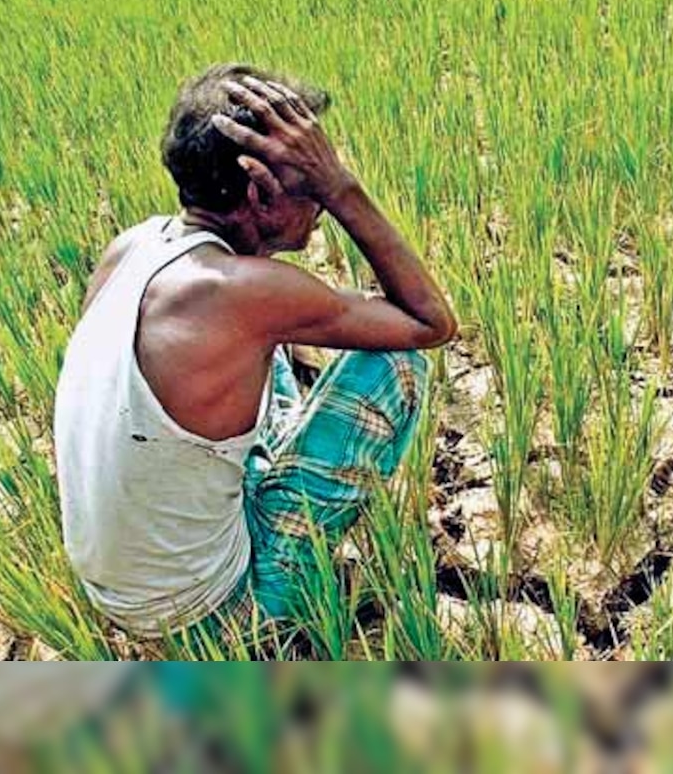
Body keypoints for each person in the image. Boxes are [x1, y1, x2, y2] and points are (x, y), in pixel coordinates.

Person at [52, 63, 458, 654]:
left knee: (278, 363)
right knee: (395, 365)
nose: (319, 200)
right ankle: (279, 602)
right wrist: (343, 188)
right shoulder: (242, 293)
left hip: (117, 594)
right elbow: (430, 324)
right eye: (309, 180)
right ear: (260, 191)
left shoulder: (132, 247)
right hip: (212, 615)